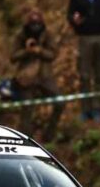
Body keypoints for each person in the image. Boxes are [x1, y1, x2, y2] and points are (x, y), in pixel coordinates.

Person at [11, 9, 63, 140]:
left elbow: (53, 54)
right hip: (26, 78)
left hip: (45, 76)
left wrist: (40, 50)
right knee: (27, 110)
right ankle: (26, 139)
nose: (35, 27)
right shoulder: (21, 36)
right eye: (33, 24)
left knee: (60, 102)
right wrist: (26, 51)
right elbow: (13, 56)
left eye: (37, 24)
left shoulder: (47, 34)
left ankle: (50, 133)